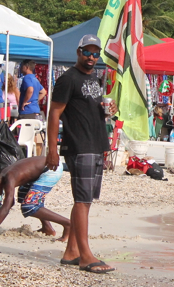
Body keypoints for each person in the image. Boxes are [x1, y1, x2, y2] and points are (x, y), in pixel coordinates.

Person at [46, 34, 117, 274]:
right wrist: (52, 149)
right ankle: (86, 256)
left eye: (95, 53)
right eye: (87, 52)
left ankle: (72, 251)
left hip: (96, 144)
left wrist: (109, 110)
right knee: (82, 200)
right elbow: (54, 113)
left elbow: (91, 109)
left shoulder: (96, 78)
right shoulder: (67, 79)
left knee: (84, 201)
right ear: (79, 52)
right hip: (79, 145)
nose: (91, 57)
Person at [0, 156, 69, 243]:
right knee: (23, 194)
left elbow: (7, 206)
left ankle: (67, 224)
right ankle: (47, 228)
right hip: (40, 168)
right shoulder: (3, 174)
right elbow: (9, 203)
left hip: (52, 168)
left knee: (29, 206)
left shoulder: (9, 178)